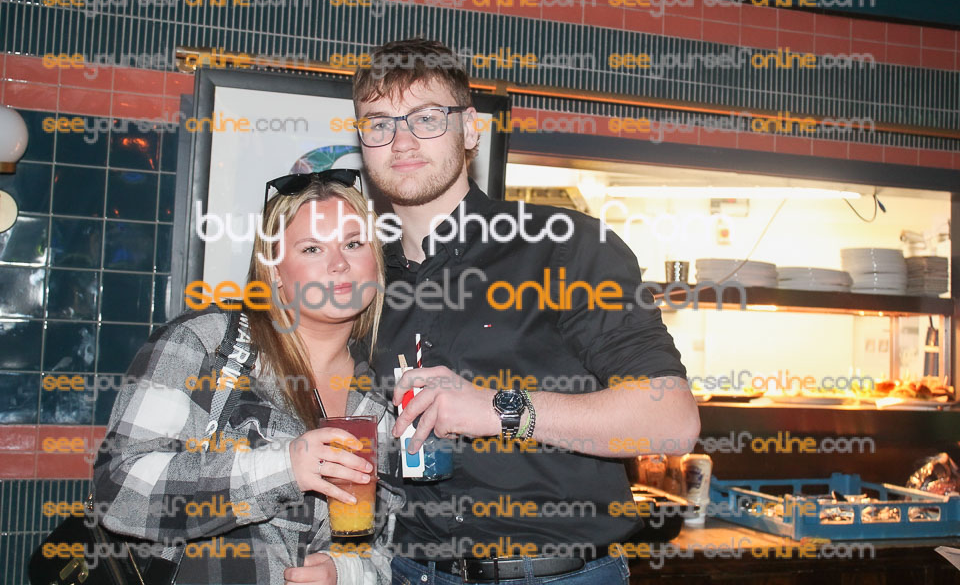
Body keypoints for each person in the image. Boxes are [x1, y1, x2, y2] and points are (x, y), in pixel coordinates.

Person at [353, 38, 701, 584]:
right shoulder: (364, 281)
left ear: (471, 130)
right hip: (408, 572)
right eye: (379, 124)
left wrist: (497, 409)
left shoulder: (564, 246)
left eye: (426, 118)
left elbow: (671, 422)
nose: (401, 141)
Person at [93, 172, 404, 584]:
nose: (339, 263)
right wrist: (285, 467)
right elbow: (119, 492)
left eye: (353, 243)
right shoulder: (206, 345)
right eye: (312, 248)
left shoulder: (382, 396)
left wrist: (345, 571)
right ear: (274, 271)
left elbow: (386, 548)